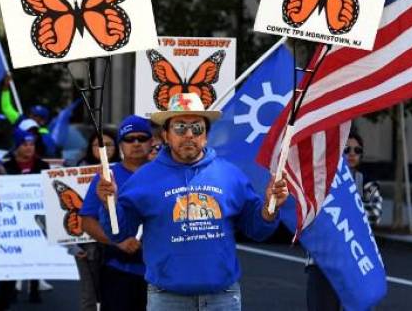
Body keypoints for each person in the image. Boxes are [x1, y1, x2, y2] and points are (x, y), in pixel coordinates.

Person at [96, 93, 288, 311]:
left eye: (197, 128)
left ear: (206, 136)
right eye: (179, 127)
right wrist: (108, 204)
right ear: (166, 135)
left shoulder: (231, 175)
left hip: (223, 298)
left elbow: (258, 230)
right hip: (167, 299)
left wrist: (269, 208)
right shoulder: (143, 178)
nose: (188, 134)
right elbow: (119, 233)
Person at [305, 132, 383, 311]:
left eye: (357, 150)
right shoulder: (319, 181)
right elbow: (309, 217)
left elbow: (375, 214)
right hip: (321, 262)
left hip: (355, 262)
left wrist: (338, 211)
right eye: (346, 149)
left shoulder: (367, 184)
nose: (352, 153)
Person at [81, 116, 152, 311]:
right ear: (120, 144)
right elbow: (87, 221)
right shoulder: (106, 177)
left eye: (142, 138)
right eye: (129, 139)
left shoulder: (164, 174)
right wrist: (117, 241)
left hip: (161, 274)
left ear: (152, 141)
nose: (136, 143)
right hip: (119, 271)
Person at [0, 130, 50, 309]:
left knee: (35, 248)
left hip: (36, 216)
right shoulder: (5, 166)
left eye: (31, 144)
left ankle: (34, 287)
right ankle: (11, 288)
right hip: (14, 220)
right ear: (16, 147)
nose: (29, 148)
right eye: (24, 144)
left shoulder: (42, 166)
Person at [69, 127, 121, 311]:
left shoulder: (124, 171)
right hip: (86, 247)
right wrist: (72, 246)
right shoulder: (74, 171)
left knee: (114, 294)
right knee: (89, 296)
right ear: (90, 147)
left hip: (115, 246)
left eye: (108, 144)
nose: (104, 149)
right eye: (99, 145)